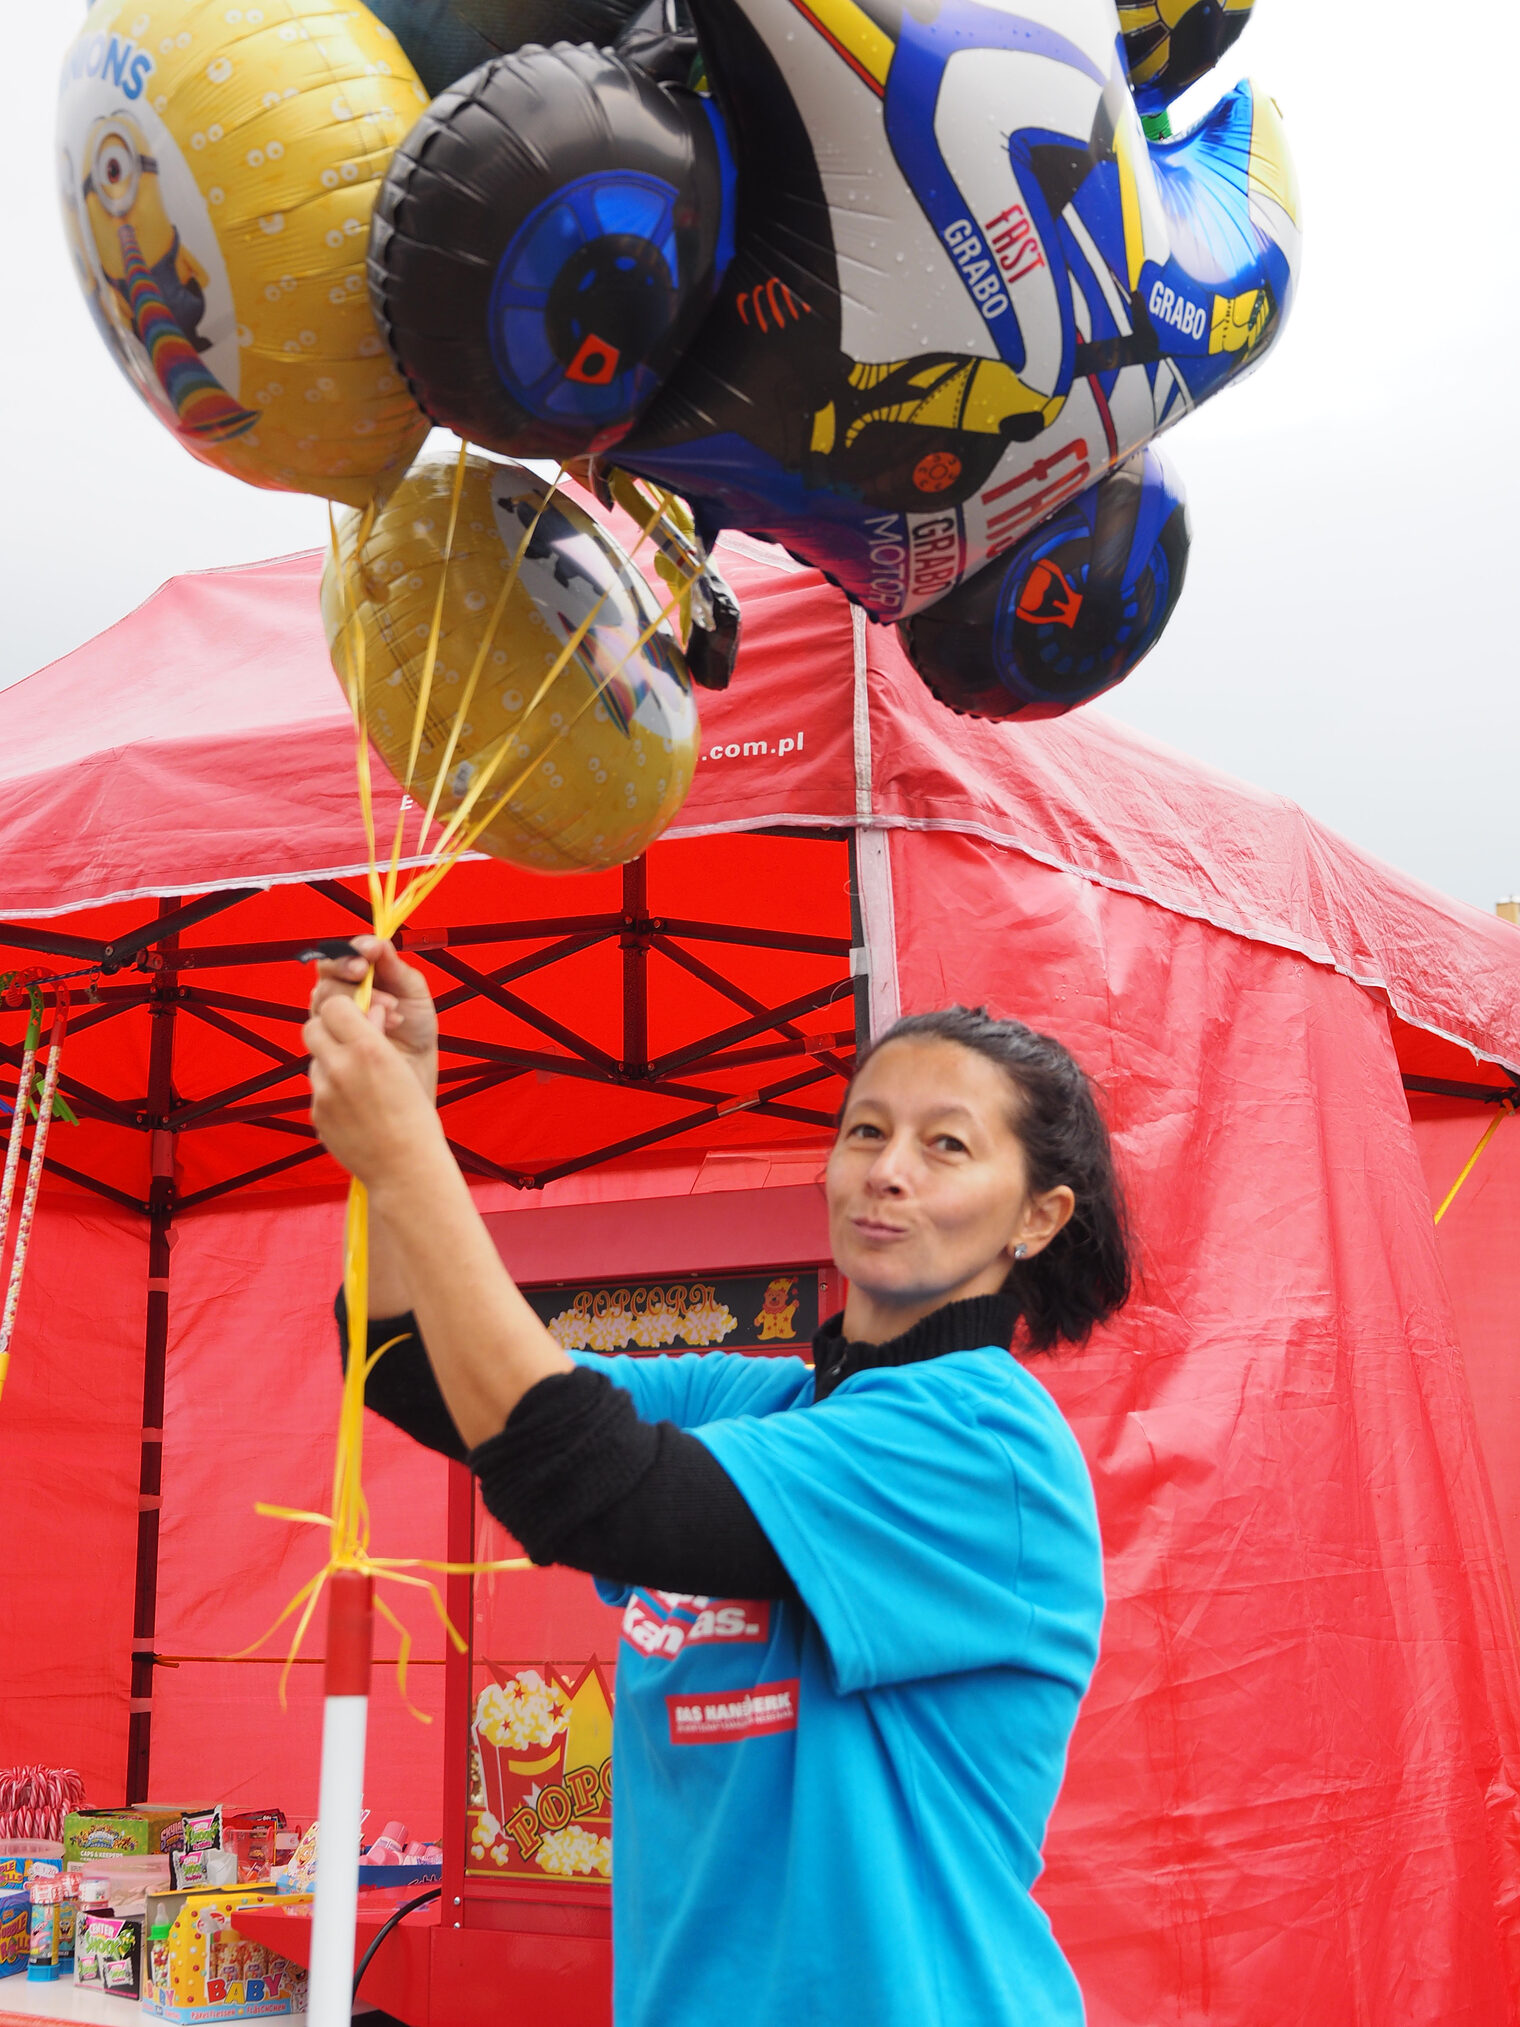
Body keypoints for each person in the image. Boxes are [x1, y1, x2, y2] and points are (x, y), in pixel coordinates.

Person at [308, 938, 1132, 2027]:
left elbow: (585, 1481)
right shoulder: (755, 1401)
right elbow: (415, 1364)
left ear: (1037, 1216)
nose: (887, 1169)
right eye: (865, 1130)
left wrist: (416, 1160)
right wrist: (396, 1141)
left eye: (946, 1145)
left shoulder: (981, 1444)